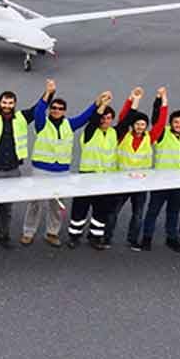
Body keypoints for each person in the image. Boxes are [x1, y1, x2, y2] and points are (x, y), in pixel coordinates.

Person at [0, 77, 50, 248]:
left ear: (15, 104)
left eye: (10, 103)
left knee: (6, 207)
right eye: (4, 102)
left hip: (12, 170)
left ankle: (3, 235)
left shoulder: (22, 117)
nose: (7, 106)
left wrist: (48, 93)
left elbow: (38, 109)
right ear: (0, 103)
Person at [22, 79, 96, 247]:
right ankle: (28, 232)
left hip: (61, 172)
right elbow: (39, 110)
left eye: (60, 109)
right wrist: (47, 93)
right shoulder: (42, 123)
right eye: (53, 108)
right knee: (35, 203)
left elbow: (85, 117)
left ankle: (52, 233)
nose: (56, 111)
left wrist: (97, 103)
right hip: (41, 170)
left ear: (64, 111)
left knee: (56, 205)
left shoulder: (69, 125)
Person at [140, 87, 180, 252]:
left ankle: (172, 237)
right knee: (153, 211)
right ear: (170, 123)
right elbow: (156, 118)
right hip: (161, 181)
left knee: (174, 212)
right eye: (176, 122)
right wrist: (160, 100)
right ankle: (147, 238)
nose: (179, 125)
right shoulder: (162, 133)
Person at [108, 87, 162, 251]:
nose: (140, 127)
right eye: (137, 124)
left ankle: (133, 239)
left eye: (143, 124)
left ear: (146, 126)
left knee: (138, 214)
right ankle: (106, 237)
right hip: (122, 181)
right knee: (113, 212)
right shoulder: (123, 135)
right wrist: (133, 99)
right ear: (132, 126)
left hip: (141, 183)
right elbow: (125, 116)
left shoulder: (150, 138)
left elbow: (160, 122)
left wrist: (160, 100)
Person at [65, 93, 118, 250]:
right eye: (103, 118)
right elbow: (94, 119)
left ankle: (95, 237)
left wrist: (134, 100)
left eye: (108, 118)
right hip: (87, 177)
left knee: (101, 211)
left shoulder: (114, 133)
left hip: (105, 179)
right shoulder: (89, 131)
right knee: (80, 210)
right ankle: (74, 236)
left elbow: (128, 119)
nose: (105, 120)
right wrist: (101, 105)